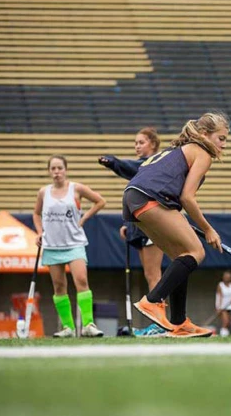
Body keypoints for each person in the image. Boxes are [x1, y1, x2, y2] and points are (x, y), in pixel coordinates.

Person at [127, 114, 228, 338]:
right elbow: (187, 198)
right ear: (204, 135)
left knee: (181, 256)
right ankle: (152, 301)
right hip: (150, 198)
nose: (223, 144)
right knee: (196, 252)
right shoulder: (202, 152)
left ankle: (179, 322)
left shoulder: (180, 150)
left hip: (134, 198)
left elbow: (177, 198)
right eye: (220, 138)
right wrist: (209, 229)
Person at [99, 127, 167, 337]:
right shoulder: (143, 167)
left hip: (153, 226)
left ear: (153, 144)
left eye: (141, 142)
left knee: (155, 276)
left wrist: (114, 162)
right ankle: (158, 323)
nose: (137, 146)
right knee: (150, 276)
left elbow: (133, 168)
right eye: (135, 143)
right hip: (139, 226)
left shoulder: (153, 164)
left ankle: (162, 324)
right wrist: (128, 225)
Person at [33, 155, 106, 337]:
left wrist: (84, 218)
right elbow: (36, 214)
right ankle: (68, 328)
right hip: (52, 245)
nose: (57, 172)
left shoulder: (76, 188)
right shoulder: (44, 192)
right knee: (59, 287)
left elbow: (100, 201)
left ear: (65, 169)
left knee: (81, 280)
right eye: (53, 169)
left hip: (74, 242)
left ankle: (88, 324)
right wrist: (39, 232)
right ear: (49, 171)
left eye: (60, 168)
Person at [215, 270, 231, 337]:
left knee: (229, 322)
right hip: (223, 307)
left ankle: (226, 335)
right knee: (225, 321)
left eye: (229, 277)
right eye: (226, 277)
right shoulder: (220, 285)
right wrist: (218, 307)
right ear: (223, 277)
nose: (227, 278)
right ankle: (223, 335)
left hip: (230, 306)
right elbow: (219, 296)